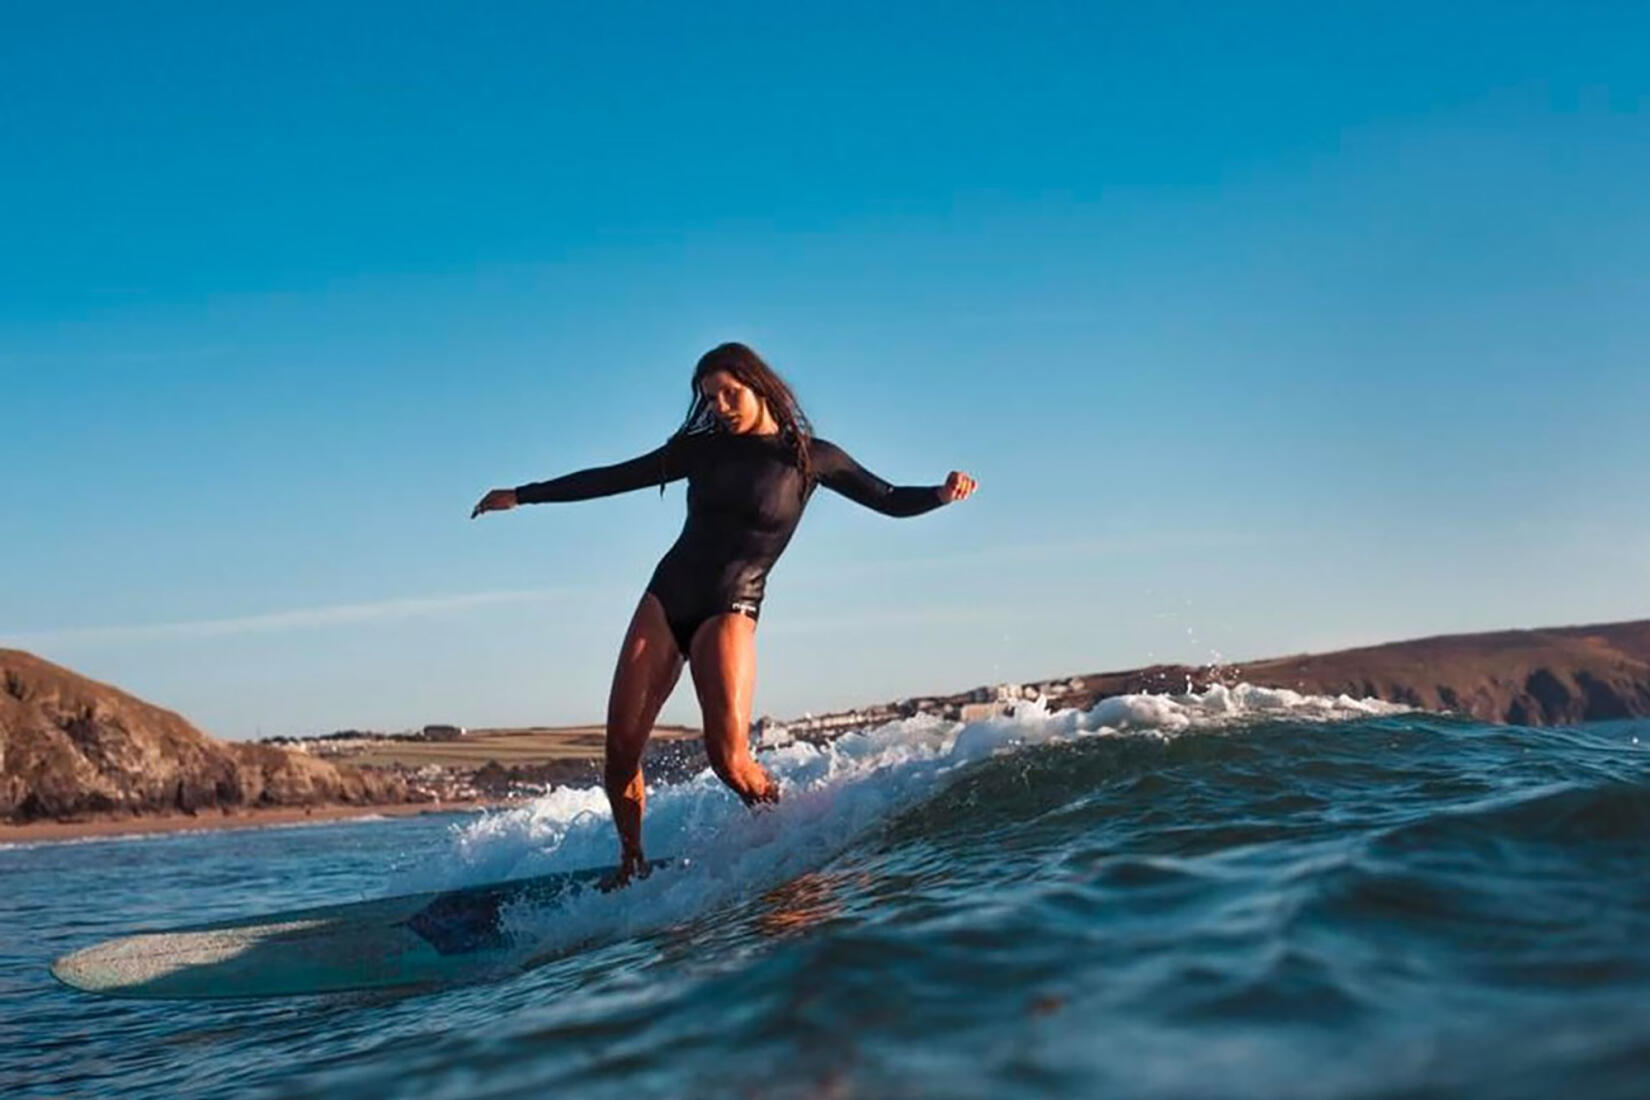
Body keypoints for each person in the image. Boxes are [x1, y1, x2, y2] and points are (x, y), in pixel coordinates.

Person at [471, 342, 977, 887]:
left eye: (730, 394)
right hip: (667, 596)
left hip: (732, 605)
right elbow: (612, 477)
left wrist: (941, 495)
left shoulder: (810, 457)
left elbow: (889, 497)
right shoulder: (701, 451)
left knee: (729, 761)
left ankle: (791, 833)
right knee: (619, 753)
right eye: (710, 399)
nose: (721, 407)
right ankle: (630, 863)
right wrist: (524, 495)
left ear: (760, 387)